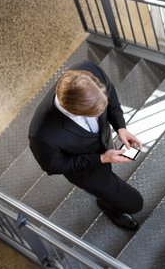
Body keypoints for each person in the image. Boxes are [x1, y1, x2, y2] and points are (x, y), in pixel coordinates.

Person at [29, 60, 143, 231]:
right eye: (96, 112)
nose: (101, 113)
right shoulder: (42, 135)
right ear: (74, 110)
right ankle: (107, 205)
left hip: (103, 143)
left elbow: (110, 96)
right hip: (86, 170)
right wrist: (102, 158)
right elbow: (54, 166)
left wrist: (120, 127)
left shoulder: (91, 72)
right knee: (135, 203)